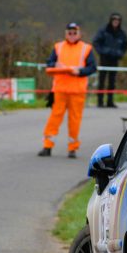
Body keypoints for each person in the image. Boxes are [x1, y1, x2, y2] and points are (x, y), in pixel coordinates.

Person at [39, 22, 97, 159]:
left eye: (74, 32)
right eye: (69, 33)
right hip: (60, 89)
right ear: (66, 34)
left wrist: (80, 72)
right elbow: (49, 64)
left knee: (74, 120)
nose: (72, 35)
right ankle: (47, 146)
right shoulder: (58, 47)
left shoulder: (86, 48)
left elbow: (92, 67)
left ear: (79, 33)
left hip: (77, 91)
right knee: (54, 118)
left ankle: (72, 148)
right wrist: (55, 64)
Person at [92, 12, 127, 108]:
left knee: (112, 81)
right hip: (104, 59)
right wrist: (103, 52)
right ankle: (100, 101)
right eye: (114, 20)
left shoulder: (121, 33)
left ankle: (110, 101)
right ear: (111, 21)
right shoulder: (103, 31)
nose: (116, 22)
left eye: (117, 20)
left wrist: (120, 53)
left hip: (114, 59)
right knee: (102, 80)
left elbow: (125, 45)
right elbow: (96, 42)